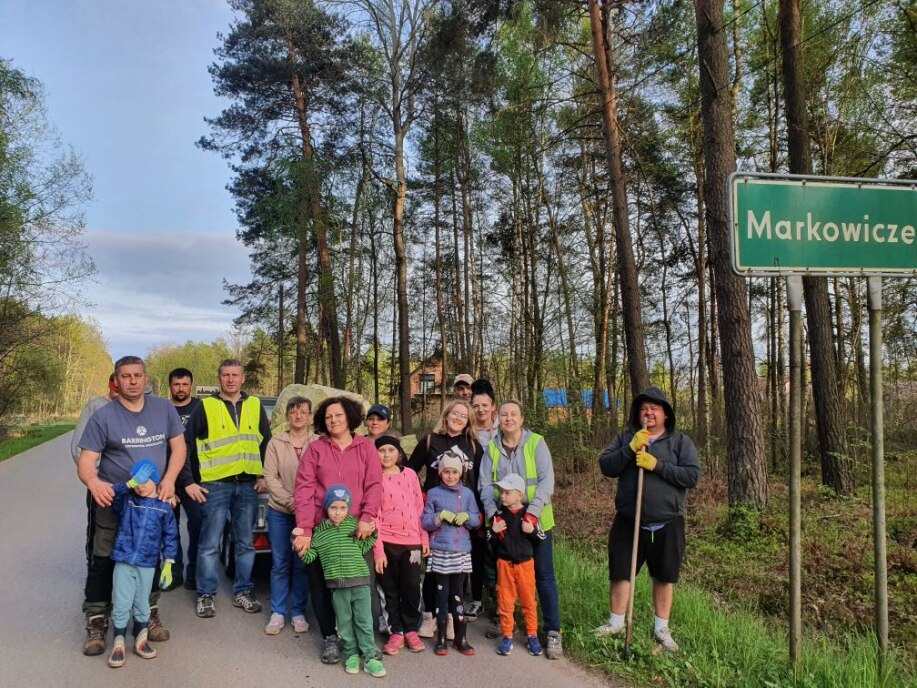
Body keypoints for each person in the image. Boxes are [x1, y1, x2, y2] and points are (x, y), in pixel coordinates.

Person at [76, 355, 186, 656]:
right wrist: (95, 483)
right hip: (115, 501)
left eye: (138, 375)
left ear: (146, 378)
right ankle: (97, 618)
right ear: (117, 380)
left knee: (149, 558)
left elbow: (178, 447)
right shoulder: (104, 416)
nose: (133, 381)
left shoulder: (164, 409)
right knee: (104, 557)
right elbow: (86, 461)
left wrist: (170, 479)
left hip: (153, 502)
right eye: (126, 376)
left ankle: (147, 613)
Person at [596, 386, 700, 653]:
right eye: (644, 408)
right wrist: (630, 449)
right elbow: (606, 466)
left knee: (664, 577)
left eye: (654, 408)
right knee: (621, 571)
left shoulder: (679, 442)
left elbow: (691, 476)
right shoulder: (628, 438)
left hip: (667, 522)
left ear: (666, 414)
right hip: (629, 521)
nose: (648, 412)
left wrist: (657, 465)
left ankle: (661, 629)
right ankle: (616, 622)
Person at [292, 396, 383, 665]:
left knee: (360, 587)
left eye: (339, 415)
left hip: (357, 530)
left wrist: (367, 517)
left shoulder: (365, 447)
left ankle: (364, 641)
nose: (333, 420)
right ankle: (331, 638)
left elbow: (375, 485)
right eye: (329, 417)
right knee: (322, 585)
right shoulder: (316, 449)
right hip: (323, 529)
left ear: (350, 417)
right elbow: (304, 489)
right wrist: (306, 530)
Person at [183, 358, 272, 619]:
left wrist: (263, 474)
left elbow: (265, 442)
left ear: (243, 378)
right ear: (219, 378)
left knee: (245, 543)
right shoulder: (205, 407)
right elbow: (186, 446)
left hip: (247, 486)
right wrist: (189, 481)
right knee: (209, 543)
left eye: (235, 375)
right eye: (225, 375)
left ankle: (243, 591)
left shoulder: (255, 406)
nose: (230, 379)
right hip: (215, 485)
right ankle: (206, 595)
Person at [479, 400, 563, 659]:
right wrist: (493, 516)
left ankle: (551, 632)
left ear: (522, 418)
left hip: (535, 521)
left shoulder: (536, 443)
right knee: (505, 579)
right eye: (504, 414)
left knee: (544, 577)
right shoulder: (492, 448)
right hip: (505, 525)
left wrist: (532, 512)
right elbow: (484, 486)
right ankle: (506, 627)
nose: (508, 418)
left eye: (513, 413)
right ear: (498, 418)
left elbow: (546, 482)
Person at [408, 399, 483, 634]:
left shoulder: (473, 444)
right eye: (455, 413)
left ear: (468, 420)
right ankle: (430, 615)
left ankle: (451, 616)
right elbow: (410, 471)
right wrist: (419, 497)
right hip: (436, 514)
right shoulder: (431, 440)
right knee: (432, 569)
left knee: (457, 574)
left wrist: (478, 515)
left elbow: (480, 480)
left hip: (462, 516)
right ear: (446, 415)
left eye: (464, 415)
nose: (459, 418)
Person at [301, 485, 386, 679]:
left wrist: (372, 534)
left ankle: (370, 656)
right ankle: (351, 654)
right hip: (337, 587)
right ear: (326, 509)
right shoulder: (320, 533)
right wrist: (300, 548)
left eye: (342, 508)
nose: (338, 512)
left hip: (360, 582)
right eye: (333, 508)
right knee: (345, 622)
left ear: (348, 508)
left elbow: (365, 546)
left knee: (364, 620)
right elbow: (310, 557)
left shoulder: (354, 526)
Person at [106, 460, 179, 668]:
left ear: (155, 480)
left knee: (142, 601)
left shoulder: (164, 507)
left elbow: (171, 536)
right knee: (121, 600)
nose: (139, 486)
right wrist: (127, 484)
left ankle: (141, 638)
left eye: (143, 481)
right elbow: (112, 495)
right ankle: (119, 641)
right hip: (124, 559)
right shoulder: (128, 500)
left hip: (148, 562)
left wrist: (169, 562)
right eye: (136, 481)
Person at [262, 396, 314, 636]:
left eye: (303, 412)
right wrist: (291, 501)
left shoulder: (318, 443)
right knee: (280, 562)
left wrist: (304, 505)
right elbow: (270, 477)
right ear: (288, 416)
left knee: (302, 563)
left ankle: (298, 612)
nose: (298, 416)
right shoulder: (276, 442)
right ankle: (278, 612)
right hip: (280, 511)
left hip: (308, 515)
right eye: (293, 412)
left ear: (310, 416)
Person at [421, 452, 482, 657]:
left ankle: (461, 638)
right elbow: (425, 520)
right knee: (441, 594)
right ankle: (440, 639)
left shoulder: (467, 494)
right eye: (446, 471)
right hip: (440, 550)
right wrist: (439, 517)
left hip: (461, 551)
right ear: (440, 472)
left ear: (460, 473)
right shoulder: (433, 493)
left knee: (457, 596)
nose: (450, 476)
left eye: (454, 472)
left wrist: (467, 517)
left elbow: (476, 520)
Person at [372, 435, 428, 655]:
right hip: (386, 542)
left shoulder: (410, 475)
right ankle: (395, 631)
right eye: (382, 450)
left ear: (399, 453)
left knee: (412, 586)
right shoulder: (374, 478)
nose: (386, 455)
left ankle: (411, 629)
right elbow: (373, 516)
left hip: (411, 542)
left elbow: (419, 508)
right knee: (389, 589)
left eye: (391, 450)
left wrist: (423, 538)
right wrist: (378, 551)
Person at [490, 473, 542, 657]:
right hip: (504, 564)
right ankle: (507, 636)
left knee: (528, 601)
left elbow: (540, 539)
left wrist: (532, 531)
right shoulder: (498, 517)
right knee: (505, 602)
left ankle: (532, 635)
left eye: (506, 492)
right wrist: (494, 533)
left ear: (519, 494)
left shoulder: (529, 515)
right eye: (501, 492)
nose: (502, 496)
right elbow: (491, 545)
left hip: (525, 565)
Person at [166, 367, 201, 590]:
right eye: (177, 384)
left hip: (195, 481)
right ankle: (174, 573)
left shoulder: (201, 407)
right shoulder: (162, 409)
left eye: (185, 384)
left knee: (198, 527)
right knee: (169, 529)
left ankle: (194, 574)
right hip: (167, 479)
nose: (181, 388)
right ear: (170, 386)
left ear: (191, 385)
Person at [70, 373, 119, 464]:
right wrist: (89, 465)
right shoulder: (95, 405)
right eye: (115, 383)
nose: (117, 386)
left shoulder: (132, 408)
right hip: (100, 469)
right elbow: (78, 439)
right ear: (109, 384)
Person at [469, 379, 498, 449]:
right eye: (476, 406)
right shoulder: (468, 431)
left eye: (485, 405)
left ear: (493, 406)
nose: (480, 410)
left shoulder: (503, 428)